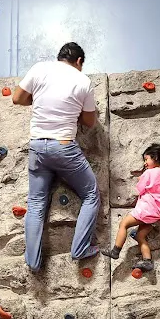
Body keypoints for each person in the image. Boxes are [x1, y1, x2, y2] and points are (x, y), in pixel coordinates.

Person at [12, 42, 99, 272]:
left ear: (59, 57)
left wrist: (38, 99)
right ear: (79, 61)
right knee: (91, 193)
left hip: (37, 147)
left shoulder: (40, 69)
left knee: (36, 203)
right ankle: (80, 248)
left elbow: (17, 98)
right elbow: (90, 122)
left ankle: (33, 262)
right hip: (64, 148)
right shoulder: (83, 81)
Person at [102, 143, 160, 272]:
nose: (145, 163)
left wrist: (142, 177)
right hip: (157, 214)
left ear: (156, 158)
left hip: (146, 210)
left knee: (123, 224)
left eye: (146, 159)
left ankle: (115, 251)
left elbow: (140, 189)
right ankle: (147, 261)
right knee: (140, 236)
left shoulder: (150, 173)